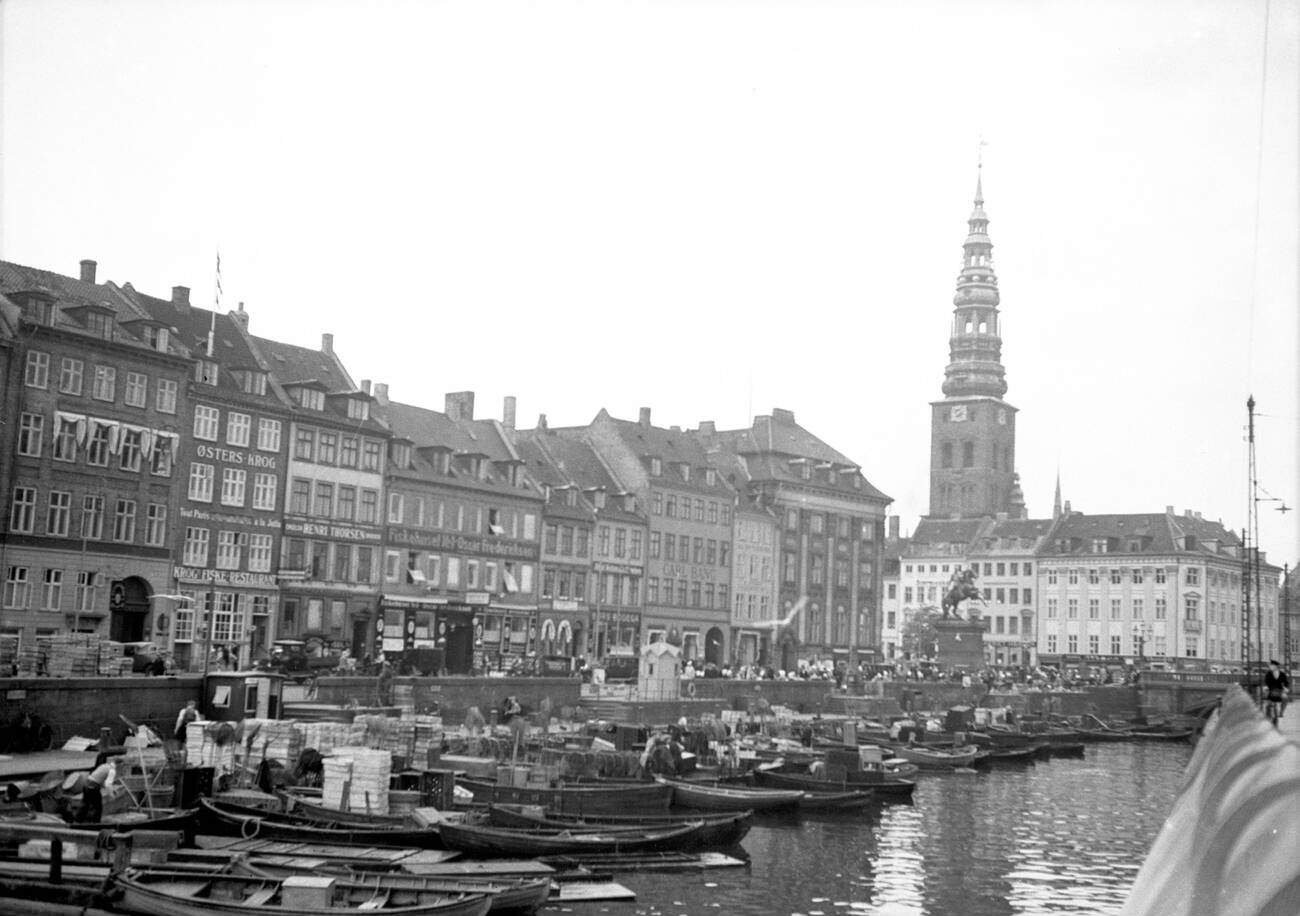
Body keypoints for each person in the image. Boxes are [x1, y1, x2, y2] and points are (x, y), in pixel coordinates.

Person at [79, 755, 116, 823]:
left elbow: (98, 779)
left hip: (86, 785)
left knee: (85, 805)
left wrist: (112, 789)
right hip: (93, 788)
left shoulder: (104, 766)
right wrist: (111, 795)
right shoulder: (112, 771)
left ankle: (79, 821)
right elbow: (108, 784)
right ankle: (96, 823)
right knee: (98, 807)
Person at [1263, 659, 1290, 726]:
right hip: (1271, 690)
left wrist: (1286, 689)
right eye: (1270, 666)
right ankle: (1268, 716)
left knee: (1285, 698)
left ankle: (1281, 712)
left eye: (1271, 665)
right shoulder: (1268, 674)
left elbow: (1286, 683)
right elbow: (1266, 682)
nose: (1270, 667)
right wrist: (1266, 687)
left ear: (1275, 666)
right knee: (1268, 704)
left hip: (1279, 691)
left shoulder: (1282, 674)